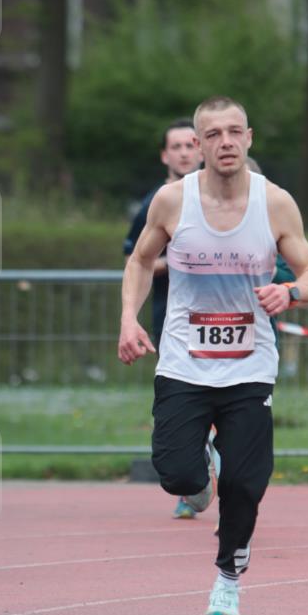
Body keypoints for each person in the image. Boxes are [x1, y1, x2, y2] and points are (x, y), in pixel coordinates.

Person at [118, 96, 308, 615]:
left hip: (249, 364)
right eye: (213, 134)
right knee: (176, 474)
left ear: (249, 138)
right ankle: (201, 468)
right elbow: (140, 260)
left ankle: (227, 582)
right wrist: (129, 318)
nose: (225, 142)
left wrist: (291, 293)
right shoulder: (171, 201)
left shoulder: (275, 202)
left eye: (234, 132)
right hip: (185, 360)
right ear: (199, 144)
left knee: (246, 483)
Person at [123, 118, 203, 520]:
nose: (185, 152)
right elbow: (134, 260)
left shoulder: (225, 198)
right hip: (171, 316)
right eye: (177, 146)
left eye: (192, 144)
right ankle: (192, 481)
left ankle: (213, 467)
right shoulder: (157, 202)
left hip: (224, 317)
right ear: (164, 155)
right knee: (185, 399)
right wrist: (174, 262)